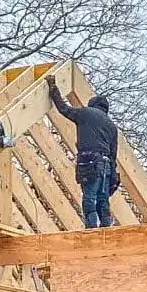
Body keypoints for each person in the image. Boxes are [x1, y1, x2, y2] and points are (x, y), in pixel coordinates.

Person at [47, 77, 120, 229]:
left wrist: (53, 88)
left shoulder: (86, 113)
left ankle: (91, 229)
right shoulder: (112, 126)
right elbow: (113, 154)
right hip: (106, 165)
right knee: (102, 199)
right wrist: (113, 175)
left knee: (89, 197)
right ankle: (107, 228)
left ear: (92, 105)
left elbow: (64, 109)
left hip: (90, 161)